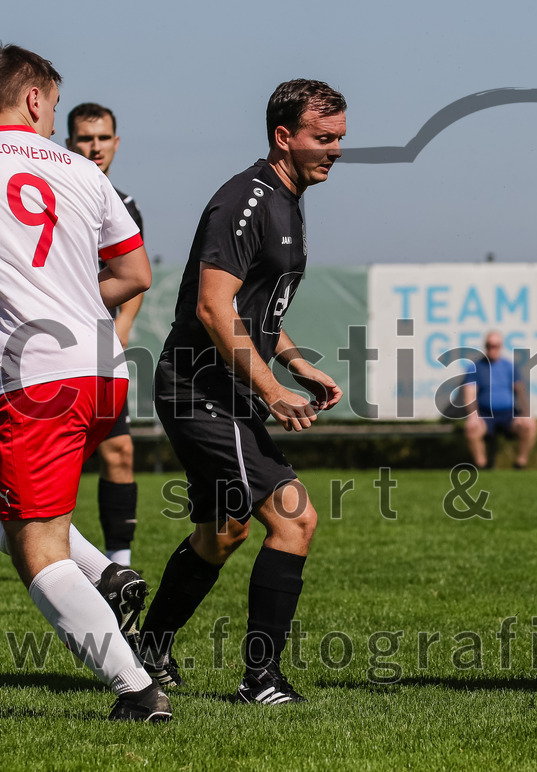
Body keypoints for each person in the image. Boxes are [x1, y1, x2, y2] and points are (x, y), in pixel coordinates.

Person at [137, 79, 346, 705]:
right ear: (284, 137)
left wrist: (294, 362)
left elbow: (256, 311)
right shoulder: (246, 201)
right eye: (323, 138)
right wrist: (271, 389)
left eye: (340, 138)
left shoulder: (291, 198)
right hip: (202, 387)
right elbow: (211, 305)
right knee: (295, 518)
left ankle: (146, 651)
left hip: (221, 387)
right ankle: (261, 678)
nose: (335, 150)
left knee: (222, 532)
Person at [0, 43, 167, 721]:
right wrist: (69, 298)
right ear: (35, 98)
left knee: (35, 549)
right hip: (102, 370)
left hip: (34, 378)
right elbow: (136, 275)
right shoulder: (82, 171)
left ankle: (138, 689)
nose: (52, 120)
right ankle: (106, 570)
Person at [66, 102, 143, 566]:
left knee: (119, 451)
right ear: (69, 143)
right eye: (84, 138)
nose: (94, 146)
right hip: (45, 346)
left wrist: (122, 330)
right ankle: (50, 554)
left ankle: (119, 563)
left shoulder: (125, 204)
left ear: (115, 143)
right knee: (54, 462)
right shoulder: (56, 192)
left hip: (100, 348)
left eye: (102, 137)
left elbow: (133, 274)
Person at [462, 331, 537, 469]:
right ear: (485, 346)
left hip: (508, 414)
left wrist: (525, 413)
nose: (492, 348)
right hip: (485, 415)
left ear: (500, 346)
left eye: (495, 345)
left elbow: (520, 391)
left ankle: (520, 464)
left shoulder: (509, 366)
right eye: (489, 345)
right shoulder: (475, 367)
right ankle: (481, 466)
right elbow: (470, 393)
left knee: (530, 425)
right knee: (471, 429)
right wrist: (473, 416)